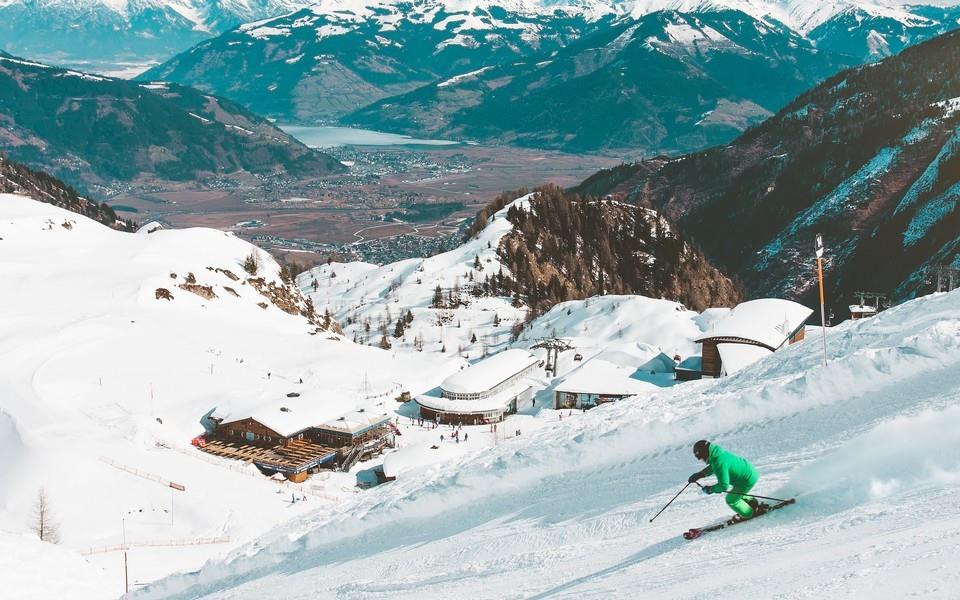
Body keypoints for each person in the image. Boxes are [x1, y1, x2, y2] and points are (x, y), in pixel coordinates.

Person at [688, 440, 760, 520]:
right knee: (735, 493)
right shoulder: (717, 454)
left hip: (746, 480)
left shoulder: (718, 462)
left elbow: (723, 485)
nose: (702, 460)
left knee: (731, 499)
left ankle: (749, 513)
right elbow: (714, 466)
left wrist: (710, 489)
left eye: (701, 457)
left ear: (704, 454)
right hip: (749, 471)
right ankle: (752, 503)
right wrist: (700, 474)